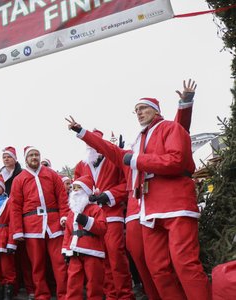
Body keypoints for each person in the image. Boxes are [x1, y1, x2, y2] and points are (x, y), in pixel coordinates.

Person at [66, 79, 210, 300]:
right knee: (157, 269)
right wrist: (82, 131)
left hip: (174, 205)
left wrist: (185, 105)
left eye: (143, 108)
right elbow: (112, 150)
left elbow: (176, 159)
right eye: (136, 111)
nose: (139, 113)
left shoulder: (168, 128)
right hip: (148, 211)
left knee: (185, 264)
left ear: (156, 110)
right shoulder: (138, 141)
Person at [73, 130, 134, 300]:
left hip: (111, 214)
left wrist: (108, 195)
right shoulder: (80, 166)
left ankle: (125, 295)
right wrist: (85, 196)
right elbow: (75, 189)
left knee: (116, 255)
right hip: (92, 218)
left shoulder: (114, 161)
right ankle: (111, 295)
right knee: (100, 257)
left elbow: (126, 184)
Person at [10, 146, 70, 300]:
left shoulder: (52, 174)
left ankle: (64, 294)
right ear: (26, 159)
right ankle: (42, 295)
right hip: (32, 226)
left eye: (37, 154)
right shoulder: (19, 179)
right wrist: (18, 230)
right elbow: (15, 206)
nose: (34, 157)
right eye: (31, 155)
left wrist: (64, 217)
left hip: (54, 223)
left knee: (59, 262)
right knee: (37, 264)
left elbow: (62, 198)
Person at [62, 176, 107, 300]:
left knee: (94, 283)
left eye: (78, 188)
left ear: (86, 191)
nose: (75, 191)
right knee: (73, 283)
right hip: (75, 252)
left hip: (93, 251)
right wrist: (66, 251)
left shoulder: (95, 209)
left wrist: (86, 221)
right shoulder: (71, 213)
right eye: (73, 188)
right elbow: (68, 233)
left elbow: (102, 228)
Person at [0, 146, 34, 298]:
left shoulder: (21, 174)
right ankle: (14, 286)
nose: (6, 159)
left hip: (20, 216)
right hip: (4, 219)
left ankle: (29, 287)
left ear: (15, 159)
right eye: (4, 157)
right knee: (10, 256)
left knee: (24, 256)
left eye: (9, 157)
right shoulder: (0, 176)